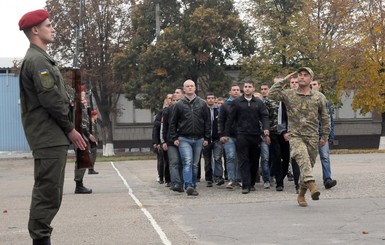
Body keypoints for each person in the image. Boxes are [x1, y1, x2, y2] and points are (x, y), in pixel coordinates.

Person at [18, 9, 87, 245]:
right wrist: (70, 128)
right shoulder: (37, 60)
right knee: (48, 190)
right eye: (49, 25)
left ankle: (42, 237)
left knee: (52, 190)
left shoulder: (43, 59)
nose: (53, 28)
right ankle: (40, 239)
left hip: (51, 134)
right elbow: (50, 99)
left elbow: (58, 96)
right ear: (35, 30)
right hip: (48, 134)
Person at [269, 67, 331, 207]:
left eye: (305, 75)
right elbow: (272, 95)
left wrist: (325, 135)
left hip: (312, 136)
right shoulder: (289, 94)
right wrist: (285, 80)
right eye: (299, 75)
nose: (301, 77)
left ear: (311, 79)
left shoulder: (319, 97)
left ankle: (301, 194)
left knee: (307, 165)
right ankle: (312, 184)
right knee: (302, 157)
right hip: (295, 135)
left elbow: (325, 117)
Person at [223, 80, 270, 194]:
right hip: (242, 134)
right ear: (243, 89)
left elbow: (264, 116)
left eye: (250, 87)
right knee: (243, 160)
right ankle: (246, 185)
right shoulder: (238, 102)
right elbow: (230, 119)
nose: (247, 88)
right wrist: (225, 134)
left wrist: (265, 129)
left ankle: (252, 182)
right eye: (246, 87)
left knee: (254, 160)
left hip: (255, 134)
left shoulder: (258, 102)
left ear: (253, 89)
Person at [169, 80, 210, 196]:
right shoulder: (179, 104)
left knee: (195, 164)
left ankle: (193, 185)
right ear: (184, 89)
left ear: (195, 88)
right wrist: (174, 137)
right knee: (187, 161)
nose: (190, 88)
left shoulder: (202, 103)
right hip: (184, 138)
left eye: (192, 86)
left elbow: (207, 122)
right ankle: (188, 185)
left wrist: (207, 138)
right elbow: (173, 123)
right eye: (187, 86)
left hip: (199, 138)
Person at [310, 80, 337, 189]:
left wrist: (330, 135)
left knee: (325, 157)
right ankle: (307, 181)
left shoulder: (325, 101)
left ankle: (327, 180)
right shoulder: (306, 100)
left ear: (319, 86)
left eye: (315, 84)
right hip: (310, 135)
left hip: (322, 135)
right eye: (311, 85)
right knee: (308, 159)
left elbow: (329, 119)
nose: (313, 86)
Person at [218, 84, 242, 189]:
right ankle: (232, 179)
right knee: (231, 156)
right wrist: (222, 134)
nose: (236, 92)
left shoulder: (243, 103)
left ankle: (239, 179)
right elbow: (220, 121)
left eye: (238, 90)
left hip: (241, 135)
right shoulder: (225, 105)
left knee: (241, 158)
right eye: (234, 90)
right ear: (230, 92)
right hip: (228, 136)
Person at [162, 88, 185, 192]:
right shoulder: (167, 111)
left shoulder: (185, 109)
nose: (175, 101)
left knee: (182, 162)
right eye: (173, 100)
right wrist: (164, 141)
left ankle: (182, 182)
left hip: (183, 139)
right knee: (174, 162)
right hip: (171, 141)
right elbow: (165, 127)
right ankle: (175, 183)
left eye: (177, 99)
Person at [202, 93, 224, 187]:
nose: (210, 100)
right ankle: (209, 179)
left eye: (212, 98)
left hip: (217, 139)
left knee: (217, 158)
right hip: (206, 139)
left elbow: (222, 123)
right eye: (208, 98)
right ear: (206, 99)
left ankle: (219, 177)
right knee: (207, 160)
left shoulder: (218, 111)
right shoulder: (203, 111)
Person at [74, 89, 93, 194]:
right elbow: (82, 124)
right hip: (80, 136)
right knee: (82, 159)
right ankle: (79, 185)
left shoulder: (82, 108)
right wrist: (88, 135)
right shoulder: (78, 108)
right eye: (82, 97)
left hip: (82, 136)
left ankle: (79, 184)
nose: (84, 99)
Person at [88, 110, 99, 174]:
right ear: (93, 115)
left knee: (93, 155)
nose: (97, 116)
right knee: (92, 155)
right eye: (96, 115)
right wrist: (95, 141)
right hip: (92, 141)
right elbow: (92, 133)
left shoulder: (94, 122)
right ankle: (90, 169)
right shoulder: (91, 123)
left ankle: (91, 168)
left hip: (94, 140)